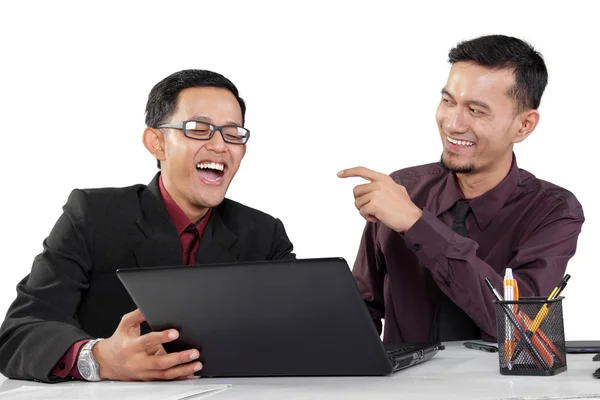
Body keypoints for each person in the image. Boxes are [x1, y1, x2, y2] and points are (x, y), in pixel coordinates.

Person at [0, 70, 295, 383]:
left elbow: (310, 331)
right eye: (199, 129)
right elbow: (19, 333)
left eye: (233, 133)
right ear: (157, 143)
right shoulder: (92, 217)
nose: (221, 146)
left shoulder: (264, 235)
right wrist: (97, 359)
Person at [338, 35, 584, 344]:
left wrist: (417, 225)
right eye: (448, 101)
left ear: (524, 126)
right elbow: (362, 308)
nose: (453, 124)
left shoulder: (553, 210)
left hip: (500, 391)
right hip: (401, 390)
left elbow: (517, 325)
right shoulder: (403, 189)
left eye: (476, 110)